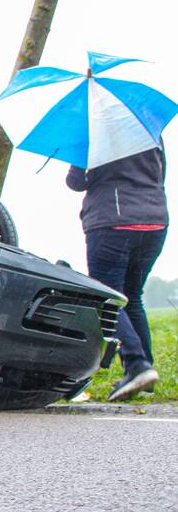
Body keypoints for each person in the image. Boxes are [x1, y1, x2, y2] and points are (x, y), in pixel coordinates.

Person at [66, 146, 168, 401]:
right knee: (132, 297)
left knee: (108, 298)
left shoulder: (95, 133)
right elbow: (160, 173)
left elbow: (76, 181)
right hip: (155, 221)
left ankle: (137, 364)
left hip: (112, 220)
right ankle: (145, 372)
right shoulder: (148, 129)